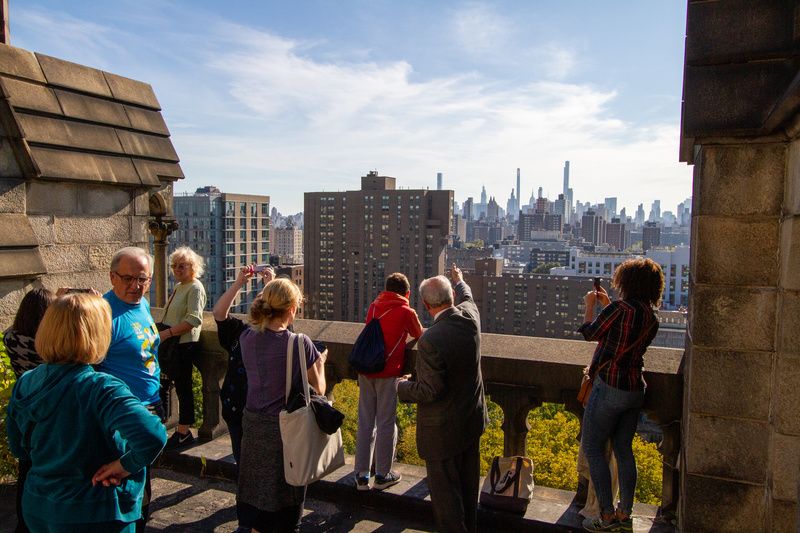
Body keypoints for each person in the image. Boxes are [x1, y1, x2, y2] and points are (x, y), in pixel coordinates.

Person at [5, 293, 167, 532]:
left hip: (40, 506)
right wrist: (124, 465)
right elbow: (153, 437)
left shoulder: (27, 382)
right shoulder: (103, 388)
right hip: (95, 509)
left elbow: (19, 447)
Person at [214, 267, 326, 533]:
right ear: (293, 309)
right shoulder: (300, 342)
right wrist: (320, 363)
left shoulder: (246, 337)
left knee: (256, 499)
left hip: (253, 424)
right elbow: (319, 388)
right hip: (285, 430)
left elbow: (222, 316)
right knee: (287, 503)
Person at [397, 264, 489, 533]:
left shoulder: (430, 340)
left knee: (448, 503)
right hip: (470, 424)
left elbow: (429, 390)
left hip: (443, 435)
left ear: (426, 306)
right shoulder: (471, 318)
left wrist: (400, 387)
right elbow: (469, 297)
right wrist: (459, 281)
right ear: (451, 299)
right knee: (469, 495)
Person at [578, 258, 663, 533]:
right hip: (635, 388)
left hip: (610, 386)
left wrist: (590, 307)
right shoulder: (652, 318)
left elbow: (591, 334)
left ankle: (606, 515)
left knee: (593, 447)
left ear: (626, 282)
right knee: (624, 450)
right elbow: (625, 335)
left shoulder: (618, 309)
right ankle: (625, 514)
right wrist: (607, 307)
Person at [97, 246, 163, 532]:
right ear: (112, 277)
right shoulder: (103, 313)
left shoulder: (143, 305)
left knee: (145, 479)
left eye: (143, 279)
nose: (136, 286)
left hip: (152, 403)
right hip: (124, 412)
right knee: (126, 486)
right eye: (128, 279)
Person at [354, 272, 423, 491]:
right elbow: (419, 334)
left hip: (366, 370)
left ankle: (361, 476)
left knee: (365, 422)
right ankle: (383, 475)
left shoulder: (374, 306)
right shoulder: (406, 311)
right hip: (388, 373)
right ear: (407, 293)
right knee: (385, 423)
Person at [4, 288, 56, 533]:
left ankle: (22, 523)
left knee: (26, 466)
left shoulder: (11, 339)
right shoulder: (46, 346)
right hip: (47, 409)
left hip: (23, 401)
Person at [159, 246, 207, 449]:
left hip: (184, 344)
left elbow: (194, 320)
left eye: (182, 266)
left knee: (184, 387)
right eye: (174, 266)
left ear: (193, 267)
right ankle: (173, 427)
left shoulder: (195, 287)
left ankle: (184, 431)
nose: (177, 269)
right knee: (167, 385)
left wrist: (167, 333)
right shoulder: (180, 286)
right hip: (171, 343)